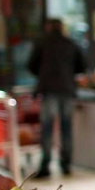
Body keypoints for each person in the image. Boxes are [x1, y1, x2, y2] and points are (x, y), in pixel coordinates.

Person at [27, 18, 86, 179]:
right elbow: (81, 66)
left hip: (48, 90)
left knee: (47, 129)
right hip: (67, 89)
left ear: (48, 27)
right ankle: (66, 164)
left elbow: (31, 65)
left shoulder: (41, 43)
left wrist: (44, 75)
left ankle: (45, 165)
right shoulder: (70, 43)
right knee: (66, 128)